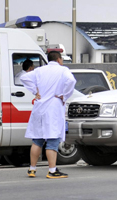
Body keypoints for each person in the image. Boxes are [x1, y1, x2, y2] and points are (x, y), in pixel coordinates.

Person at [21, 51, 76, 179]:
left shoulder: (40, 70)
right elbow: (71, 81)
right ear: (59, 59)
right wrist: (64, 94)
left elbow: (24, 77)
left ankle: (32, 169)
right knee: (52, 140)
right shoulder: (63, 70)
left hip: (40, 107)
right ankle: (52, 170)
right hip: (53, 107)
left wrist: (35, 91)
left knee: (37, 140)